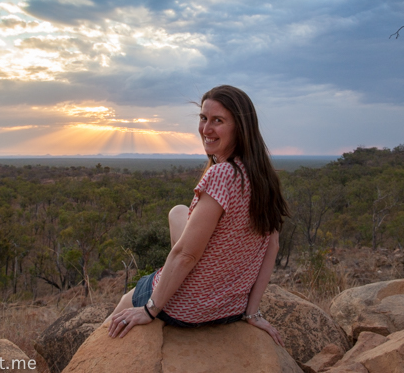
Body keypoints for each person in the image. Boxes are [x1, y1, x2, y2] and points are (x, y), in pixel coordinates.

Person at [106, 85, 289, 346]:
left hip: (189, 309)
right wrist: (252, 312)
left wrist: (150, 309)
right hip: (230, 308)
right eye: (203, 119)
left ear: (240, 127)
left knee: (128, 303)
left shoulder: (223, 174)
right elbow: (272, 246)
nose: (206, 129)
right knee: (178, 212)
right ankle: (186, 281)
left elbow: (187, 254)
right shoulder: (265, 178)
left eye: (218, 121)